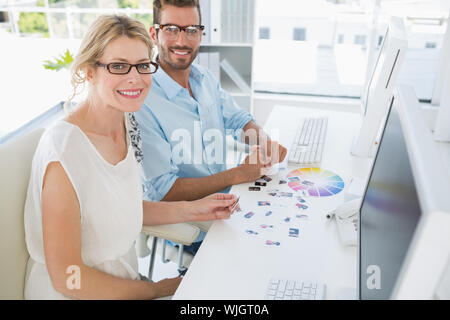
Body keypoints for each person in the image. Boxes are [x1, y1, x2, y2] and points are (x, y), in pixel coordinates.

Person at [23, 14, 237, 300]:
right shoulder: (65, 150)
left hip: (126, 284)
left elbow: (122, 207)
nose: (135, 78)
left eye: (142, 65)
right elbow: (67, 278)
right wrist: (155, 290)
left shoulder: (128, 122)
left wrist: (196, 209)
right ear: (89, 71)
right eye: (119, 66)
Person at [135, 0, 287, 204]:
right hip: (189, 225)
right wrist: (238, 174)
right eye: (171, 29)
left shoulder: (204, 78)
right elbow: (164, 190)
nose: (182, 41)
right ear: (154, 35)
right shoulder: (141, 102)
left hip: (228, 202)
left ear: (200, 35)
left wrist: (264, 143)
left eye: (191, 30)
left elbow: (238, 120)